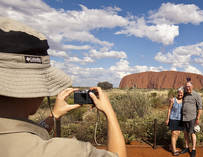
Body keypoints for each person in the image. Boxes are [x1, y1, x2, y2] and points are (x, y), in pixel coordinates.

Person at [0, 17, 126, 157]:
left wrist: (54, 115)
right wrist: (109, 113)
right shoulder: (68, 152)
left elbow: (21, 135)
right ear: (36, 90)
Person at [165, 88, 189, 156]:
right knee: (174, 133)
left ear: (183, 94)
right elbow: (169, 109)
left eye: (181, 93)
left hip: (180, 120)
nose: (180, 94)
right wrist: (167, 119)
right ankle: (174, 150)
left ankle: (171, 146)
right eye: (179, 93)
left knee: (177, 133)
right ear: (177, 93)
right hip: (173, 118)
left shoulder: (184, 101)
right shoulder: (173, 100)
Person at [182, 81, 202, 157]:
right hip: (184, 117)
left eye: (189, 86)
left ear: (192, 86)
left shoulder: (196, 95)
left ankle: (193, 149)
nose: (187, 88)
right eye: (186, 86)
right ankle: (187, 147)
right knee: (185, 133)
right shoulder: (184, 94)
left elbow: (200, 108)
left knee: (192, 133)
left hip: (192, 118)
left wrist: (198, 118)